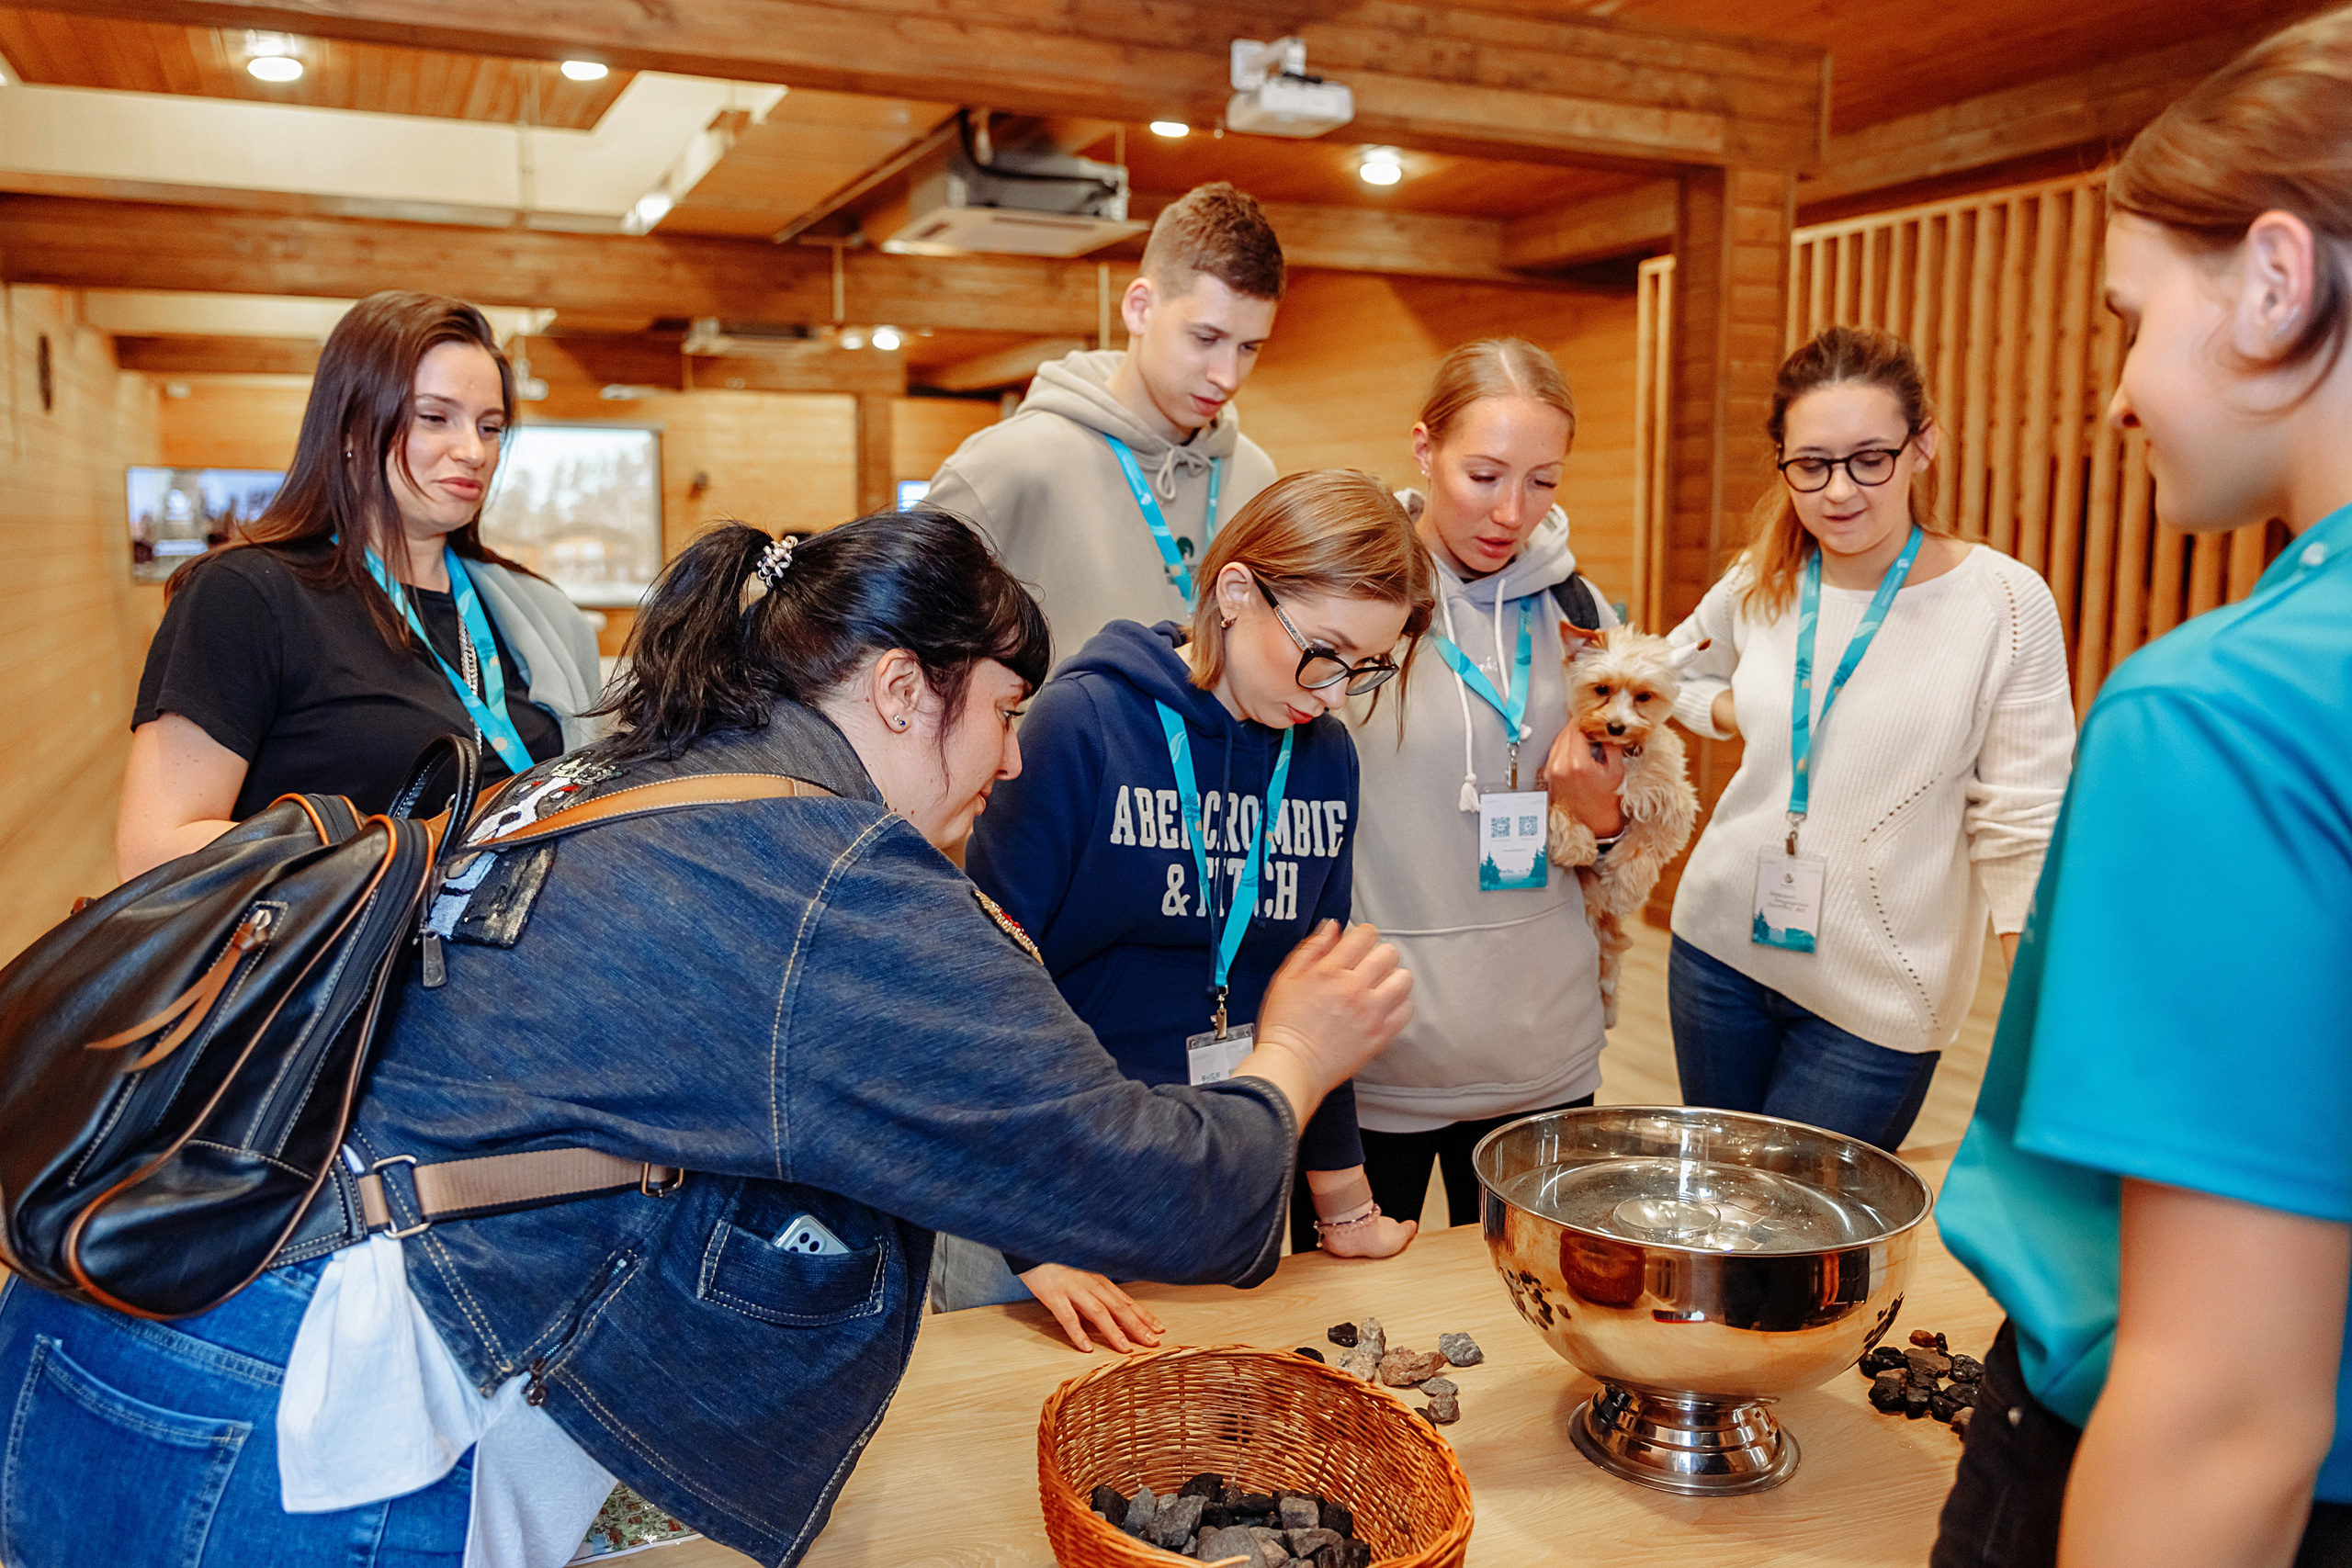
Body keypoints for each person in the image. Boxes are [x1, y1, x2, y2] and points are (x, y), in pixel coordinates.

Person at [0, 511, 1415, 1568]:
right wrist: (1296, 1051)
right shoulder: (825, 875)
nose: (1015, 758)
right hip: (299, 1416)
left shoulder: (618, 771)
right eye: (1003, 711)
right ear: (904, 689)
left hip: (125, 1300)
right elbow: (1172, 1190)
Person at [1933, 17, 2352, 1565]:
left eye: (2133, 317)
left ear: (2274, 282)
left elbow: (2225, 1415)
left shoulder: (2225, 709)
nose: (2118, 395)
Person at [947, 470, 1434, 1338]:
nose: (1333, 694)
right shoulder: (1081, 725)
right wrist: (1030, 1236)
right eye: (1324, 652)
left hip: (1218, 1181)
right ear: (1237, 592)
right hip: (1046, 1193)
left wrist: (1343, 1203)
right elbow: (979, 992)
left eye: (1365, 669)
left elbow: (1319, 992)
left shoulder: (1324, 757)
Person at [1663, 325, 2075, 1151]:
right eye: (1811, 464)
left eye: (1869, 459)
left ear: (1923, 446)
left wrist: (2045, 1005)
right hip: (1718, 951)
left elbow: (2024, 819)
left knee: (1796, 1223)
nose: (1838, 491)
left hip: (1883, 994)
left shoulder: (2003, 601)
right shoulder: (1763, 577)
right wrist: (1733, 712)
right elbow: (1669, 670)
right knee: (1720, 1207)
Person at [117, 290, 602, 880]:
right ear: (351, 426)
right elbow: (154, 849)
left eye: (490, 427)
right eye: (434, 418)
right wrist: (413, 853)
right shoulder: (247, 593)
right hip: (356, 937)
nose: (473, 451)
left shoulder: (532, 608)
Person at [1342, 338, 1633, 1230]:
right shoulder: (1354, 603)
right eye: (1483, 475)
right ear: (1423, 449)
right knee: (1363, 1309)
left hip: (1543, 1057)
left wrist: (1603, 819)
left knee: (1531, 1306)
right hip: (1378, 1059)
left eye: (1542, 481)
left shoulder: (1581, 616)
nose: (1512, 512)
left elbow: (1622, 836)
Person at [923, 182, 1283, 649]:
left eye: (1249, 348)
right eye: (1205, 338)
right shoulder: (1009, 465)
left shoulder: (1256, 475)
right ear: (1140, 309)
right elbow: (904, 644)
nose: (1228, 376)